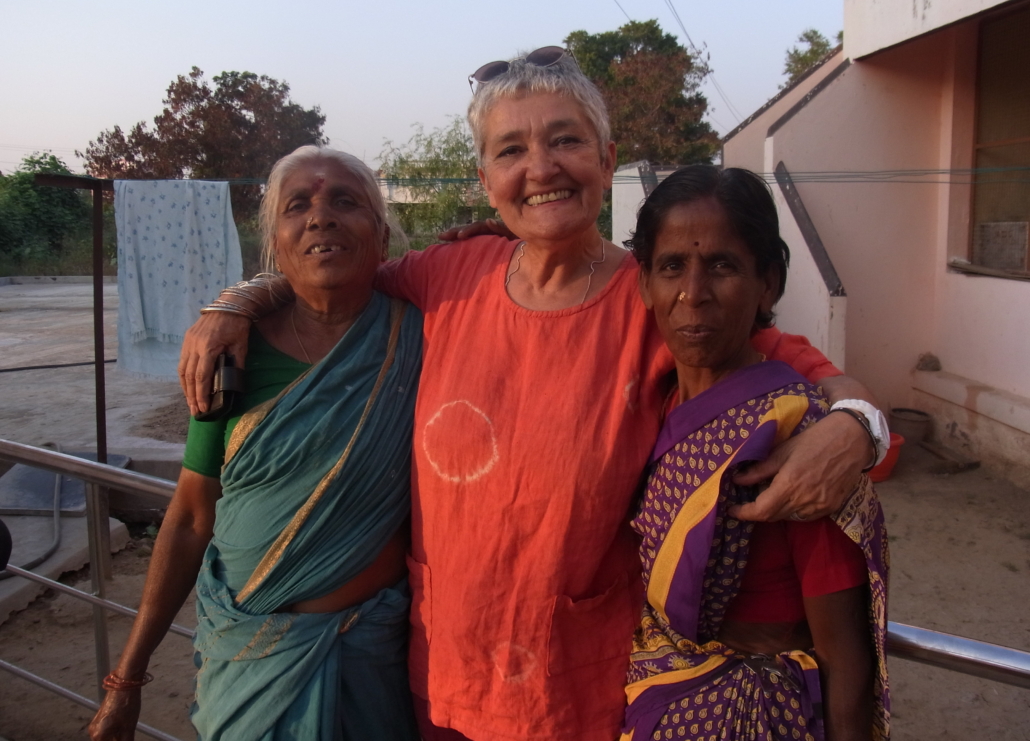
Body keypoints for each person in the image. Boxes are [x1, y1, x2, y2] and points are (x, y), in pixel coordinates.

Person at [176, 48, 886, 741]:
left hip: (576, 681)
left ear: (606, 160)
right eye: (511, 150)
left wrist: (855, 424)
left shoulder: (656, 297)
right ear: (486, 179)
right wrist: (238, 301)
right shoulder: (446, 274)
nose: (540, 168)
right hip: (443, 668)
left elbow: (799, 370)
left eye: (566, 140)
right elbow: (329, 273)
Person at [88, 146, 422, 741]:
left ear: (382, 236)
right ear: (276, 241)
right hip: (246, 653)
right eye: (299, 205)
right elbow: (191, 517)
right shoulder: (230, 357)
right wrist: (127, 678)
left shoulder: (420, 334)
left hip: (373, 653)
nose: (321, 216)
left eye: (346, 201)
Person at [621, 166, 889, 741]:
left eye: (722, 265)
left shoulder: (796, 433)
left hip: (757, 716)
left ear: (768, 283)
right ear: (645, 284)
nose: (693, 292)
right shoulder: (654, 400)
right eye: (672, 266)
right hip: (655, 697)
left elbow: (845, 657)